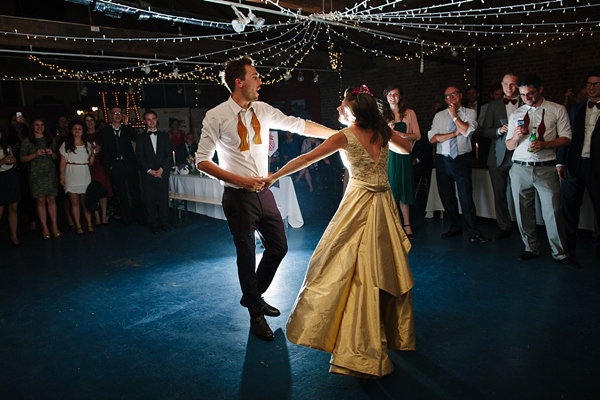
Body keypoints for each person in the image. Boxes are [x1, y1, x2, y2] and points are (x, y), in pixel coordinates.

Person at [262, 85, 415, 378]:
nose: (337, 109)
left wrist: (273, 176)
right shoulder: (382, 131)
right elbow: (407, 148)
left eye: (341, 104)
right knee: (384, 267)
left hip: (358, 205)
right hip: (384, 203)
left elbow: (305, 160)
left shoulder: (345, 136)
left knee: (343, 268)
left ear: (352, 108)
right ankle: (385, 333)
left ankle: (359, 343)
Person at [195, 55, 334, 341]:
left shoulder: (262, 109)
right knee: (246, 256)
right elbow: (202, 161)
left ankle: (253, 298)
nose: (260, 81)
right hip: (236, 196)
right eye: (255, 76)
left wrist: (338, 135)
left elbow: (299, 125)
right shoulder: (217, 115)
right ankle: (255, 314)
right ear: (239, 81)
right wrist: (239, 179)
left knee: (279, 247)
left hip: (264, 193)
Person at [505, 74, 578, 267]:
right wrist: (515, 136)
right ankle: (531, 248)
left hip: (546, 167)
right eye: (522, 95)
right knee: (523, 212)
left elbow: (566, 138)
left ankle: (560, 253)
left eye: (530, 93)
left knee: (553, 211)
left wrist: (545, 144)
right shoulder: (516, 114)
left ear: (540, 90)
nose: (526, 98)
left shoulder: (557, 109)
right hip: (520, 167)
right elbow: (510, 146)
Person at [428, 86, 489, 243]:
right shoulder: (439, 116)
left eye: (453, 94)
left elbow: (467, 131)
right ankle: (455, 227)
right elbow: (433, 138)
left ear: (460, 95)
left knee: (465, 196)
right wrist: (454, 134)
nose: (450, 98)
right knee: (447, 196)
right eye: (447, 96)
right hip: (443, 159)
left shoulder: (470, 113)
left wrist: (455, 116)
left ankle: (473, 231)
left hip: (461, 159)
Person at [557, 68, 600, 260]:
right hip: (574, 164)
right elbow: (566, 137)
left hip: (597, 166)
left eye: (596, 84)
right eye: (589, 84)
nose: (591, 87)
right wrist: (560, 162)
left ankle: (599, 245)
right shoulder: (576, 109)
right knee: (569, 205)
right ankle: (569, 242)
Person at [482, 73, 521, 240]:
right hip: (498, 156)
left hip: (521, 154)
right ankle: (504, 226)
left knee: (522, 194)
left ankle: (525, 227)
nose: (509, 87)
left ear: (518, 86)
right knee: (499, 193)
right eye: (506, 84)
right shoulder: (493, 105)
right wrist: (499, 130)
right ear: (502, 84)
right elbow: (484, 131)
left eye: (512, 84)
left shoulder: (526, 103)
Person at [382, 83, 420, 239]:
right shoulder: (382, 115)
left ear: (400, 96)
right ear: (386, 97)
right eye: (390, 94)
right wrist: (387, 130)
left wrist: (399, 134)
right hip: (389, 157)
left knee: (404, 189)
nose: (393, 97)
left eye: (395, 94)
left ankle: (407, 225)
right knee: (390, 190)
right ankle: (393, 225)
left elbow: (417, 135)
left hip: (404, 155)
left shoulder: (409, 113)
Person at [100, 105, 143, 226]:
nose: (117, 115)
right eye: (115, 113)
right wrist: (110, 166)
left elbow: (135, 138)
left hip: (130, 164)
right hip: (116, 165)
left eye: (120, 113)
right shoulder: (105, 132)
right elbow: (105, 151)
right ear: (110, 115)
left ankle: (138, 216)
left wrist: (126, 124)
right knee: (121, 192)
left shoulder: (126, 129)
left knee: (135, 191)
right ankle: (126, 217)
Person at [19, 118, 60, 239]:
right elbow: (22, 158)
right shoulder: (27, 141)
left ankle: (54, 226)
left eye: (42, 125)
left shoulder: (49, 139)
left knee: (51, 199)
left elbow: (56, 156)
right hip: (36, 174)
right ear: (32, 127)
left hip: (50, 173)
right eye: (37, 125)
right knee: (40, 200)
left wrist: (50, 152)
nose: (39, 127)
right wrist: (35, 154)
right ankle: (45, 228)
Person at [136, 110, 172, 233]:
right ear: (145, 122)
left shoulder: (164, 136)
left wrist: (161, 170)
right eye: (148, 119)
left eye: (153, 119)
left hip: (162, 173)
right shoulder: (140, 138)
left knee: (163, 199)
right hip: (148, 174)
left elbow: (168, 155)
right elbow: (140, 156)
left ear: (156, 120)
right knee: (150, 200)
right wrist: (150, 171)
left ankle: (164, 223)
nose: (151, 121)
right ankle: (153, 224)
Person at [60, 120, 95, 235]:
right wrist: (61, 175)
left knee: (85, 201)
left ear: (83, 131)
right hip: (71, 172)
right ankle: (78, 226)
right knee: (74, 201)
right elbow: (62, 161)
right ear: (71, 130)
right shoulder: (66, 144)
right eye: (75, 128)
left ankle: (89, 224)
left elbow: (90, 163)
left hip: (84, 172)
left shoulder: (87, 145)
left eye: (79, 129)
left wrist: (93, 154)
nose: (77, 131)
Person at [84, 113, 112, 226]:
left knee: (103, 190)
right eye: (87, 120)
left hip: (100, 164)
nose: (90, 122)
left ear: (95, 122)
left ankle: (104, 216)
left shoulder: (101, 134)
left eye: (91, 120)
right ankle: (96, 218)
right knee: (92, 191)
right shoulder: (83, 136)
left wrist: (101, 148)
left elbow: (108, 147)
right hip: (88, 165)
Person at [0, 128, 21, 246]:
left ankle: (14, 236)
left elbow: (15, 163)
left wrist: (13, 161)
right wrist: (2, 162)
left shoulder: (6, 146)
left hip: (10, 176)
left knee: (13, 207)